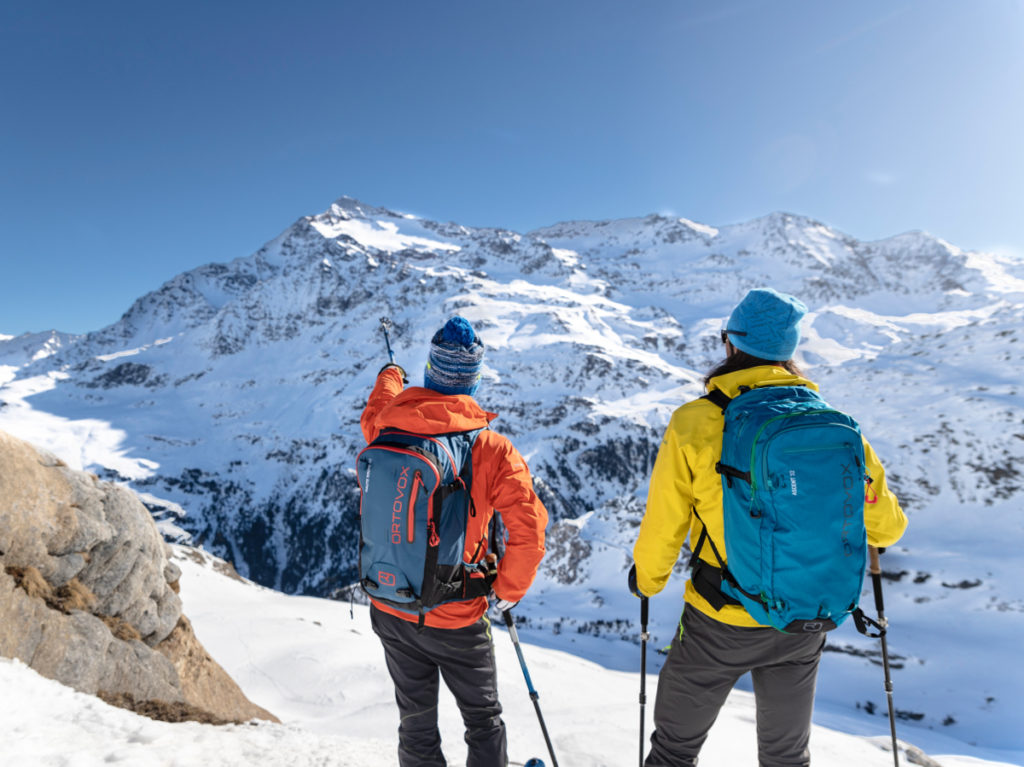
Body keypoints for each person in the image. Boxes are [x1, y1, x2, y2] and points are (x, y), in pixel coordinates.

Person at [630, 288, 908, 767]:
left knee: (674, 751)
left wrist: (647, 580)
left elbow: (666, 521)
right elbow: (886, 528)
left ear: (730, 345)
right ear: (788, 354)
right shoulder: (835, 427)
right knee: (786, 758)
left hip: (720, 617)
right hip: (804, 617)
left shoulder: (696, 421)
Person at [360, 315, 548, 767]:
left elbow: (377, 404)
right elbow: (529, 530)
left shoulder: (386, 426)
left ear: (430, 371)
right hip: (458, 616)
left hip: (390, 603)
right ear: (474, 382)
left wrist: (391, 374)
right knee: (483, 719)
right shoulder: (490, 448)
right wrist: (506, 591)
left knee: (416, 720)